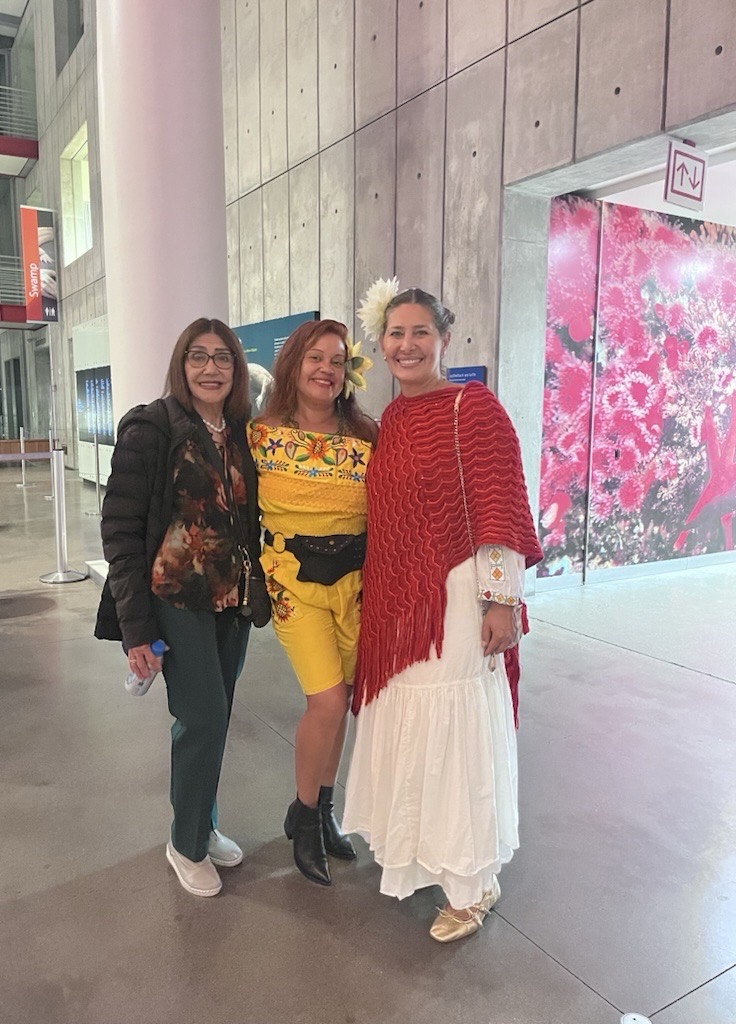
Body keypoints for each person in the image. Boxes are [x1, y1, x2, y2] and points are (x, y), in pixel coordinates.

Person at [342, 284, 543, 942]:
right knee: (414, 722)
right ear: (380, 345)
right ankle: (432, 856)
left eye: (419, 332)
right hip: (402, 604)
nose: (406, 345)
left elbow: (499, 510)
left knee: (454, 727)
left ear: (443, 339)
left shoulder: (471, 407)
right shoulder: (393, 419)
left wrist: (500, 600)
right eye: (395, 334)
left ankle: (471, 882)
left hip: (457, 598)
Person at [95, 317, 269, 898]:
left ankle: (204, 821)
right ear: (181, 364)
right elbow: (120, 531)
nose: (211, 368)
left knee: (214, 715)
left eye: (223, 358)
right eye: (199, 357)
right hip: (176, 599)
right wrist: (135, 629)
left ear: (237, 370)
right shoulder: (151, 427)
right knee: (203, 718)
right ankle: (185, 843)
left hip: (231, 601)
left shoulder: (243, 431)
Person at [249, 318, 377, 886]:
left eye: (337, 359)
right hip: (291, 579)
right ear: (294, 366)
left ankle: (322, 810)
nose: (326, 369)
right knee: (325, 700)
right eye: (315, 358)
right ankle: (303, 818)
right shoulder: (260, 433)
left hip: (355, 583)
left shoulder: (367, 434)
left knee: (345, 699)